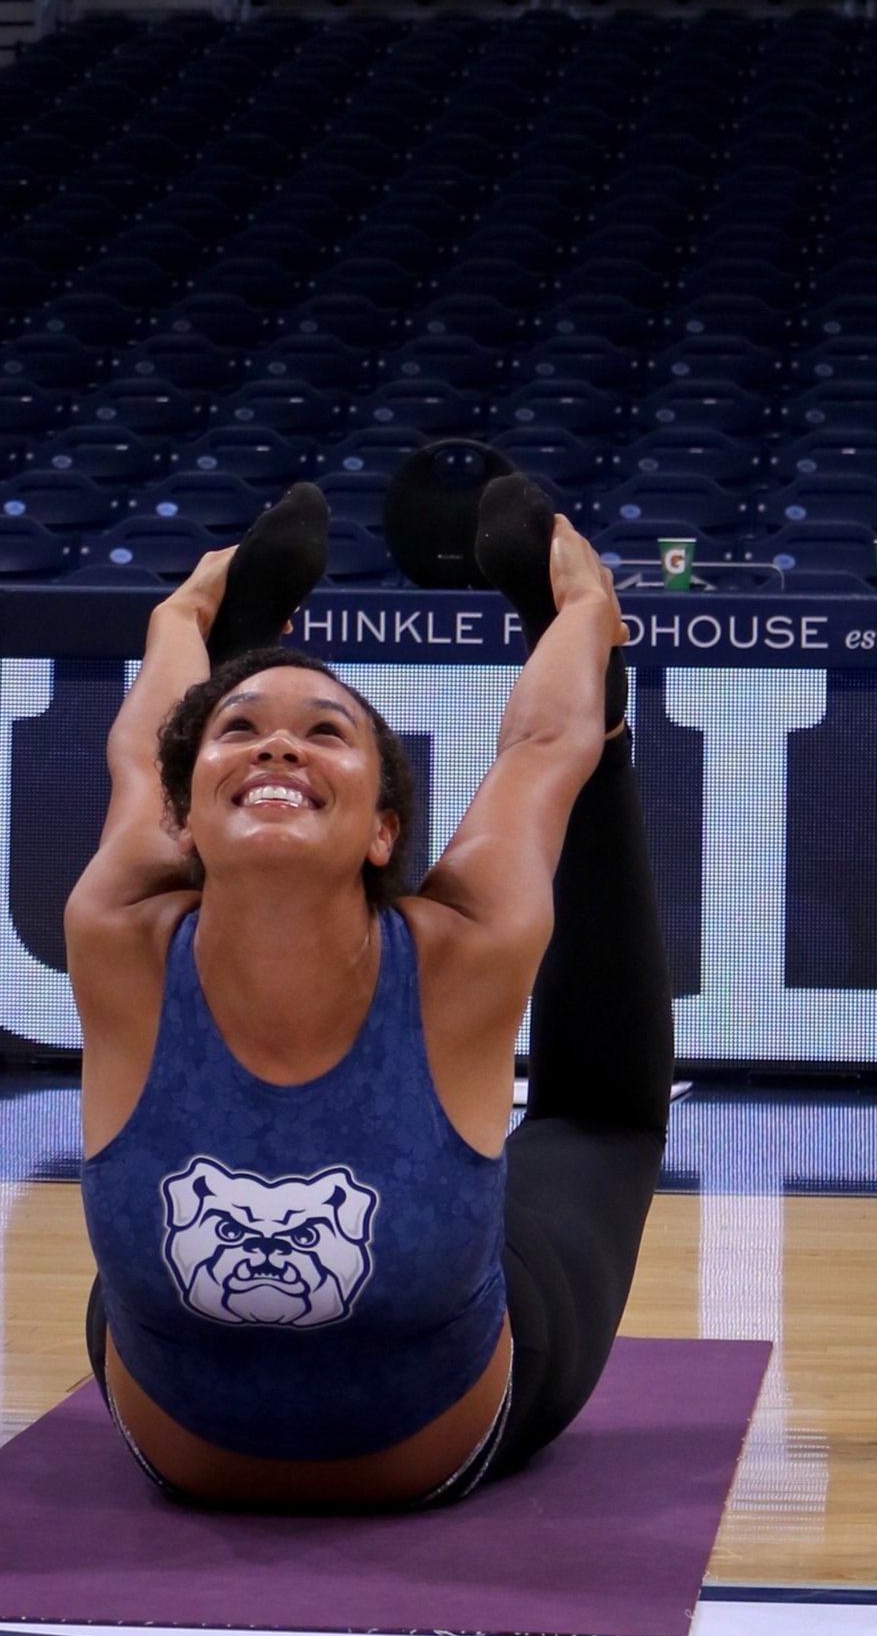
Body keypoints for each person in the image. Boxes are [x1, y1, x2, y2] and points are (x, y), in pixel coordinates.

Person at [65, 477, 674, 1509]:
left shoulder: (456, 949)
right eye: (240, 723)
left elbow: (541, 751)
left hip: (462, 1415)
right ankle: (249, 647)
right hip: (173, 1405)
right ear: (188, 817)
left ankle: (600, 695)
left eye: (324, 731)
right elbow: (142, 750)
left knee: (598, 1120)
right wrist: (179, 618)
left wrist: (576, 616)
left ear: (383, 827)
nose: (278, 743)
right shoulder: (122, 935)